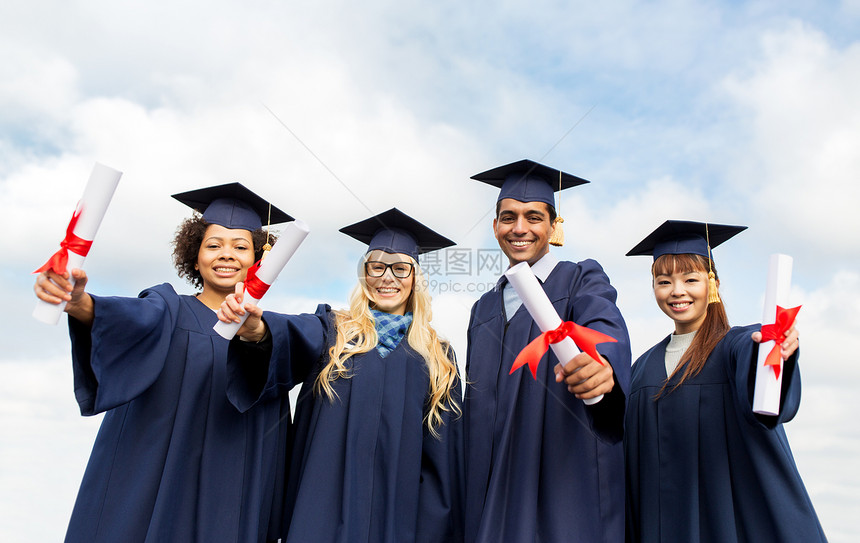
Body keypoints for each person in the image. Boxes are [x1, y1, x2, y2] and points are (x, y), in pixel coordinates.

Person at [33, 182, 295, 543]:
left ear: (259, 260)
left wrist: (258, 332)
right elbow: (129, 318)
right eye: (213, 245)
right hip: (158, 473)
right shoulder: (168, 308)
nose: (226, 255)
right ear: (195, 254)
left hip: (225, 483)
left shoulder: (266, 333)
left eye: (240, 247)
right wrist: (77, 302)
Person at [218, 207, 464, 543]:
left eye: (400, 268)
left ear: (415, 278)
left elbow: (441, 469)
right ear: (364, 274)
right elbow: (291, 333)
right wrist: (258, 329)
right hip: (319, 517)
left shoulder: (438, 358)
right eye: (376, 266)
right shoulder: (333, 331)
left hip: (396, 524)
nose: (387, 277)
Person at [624, 220, 826, 542]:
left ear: (713, 283)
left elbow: (758, 369)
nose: (677, 291)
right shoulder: (641, 369)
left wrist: (774, 350)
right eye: (664, 282)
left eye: (691, 279)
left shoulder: (735, 346)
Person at [463, 159, 632, 542]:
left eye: (533, 217)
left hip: (558, 481)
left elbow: (603, 324)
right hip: (492, 487)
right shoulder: (482, 310)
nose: (519, 228)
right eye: (508, 217)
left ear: (554, 227)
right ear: (495, 227)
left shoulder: (579, 278)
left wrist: (602, 367)